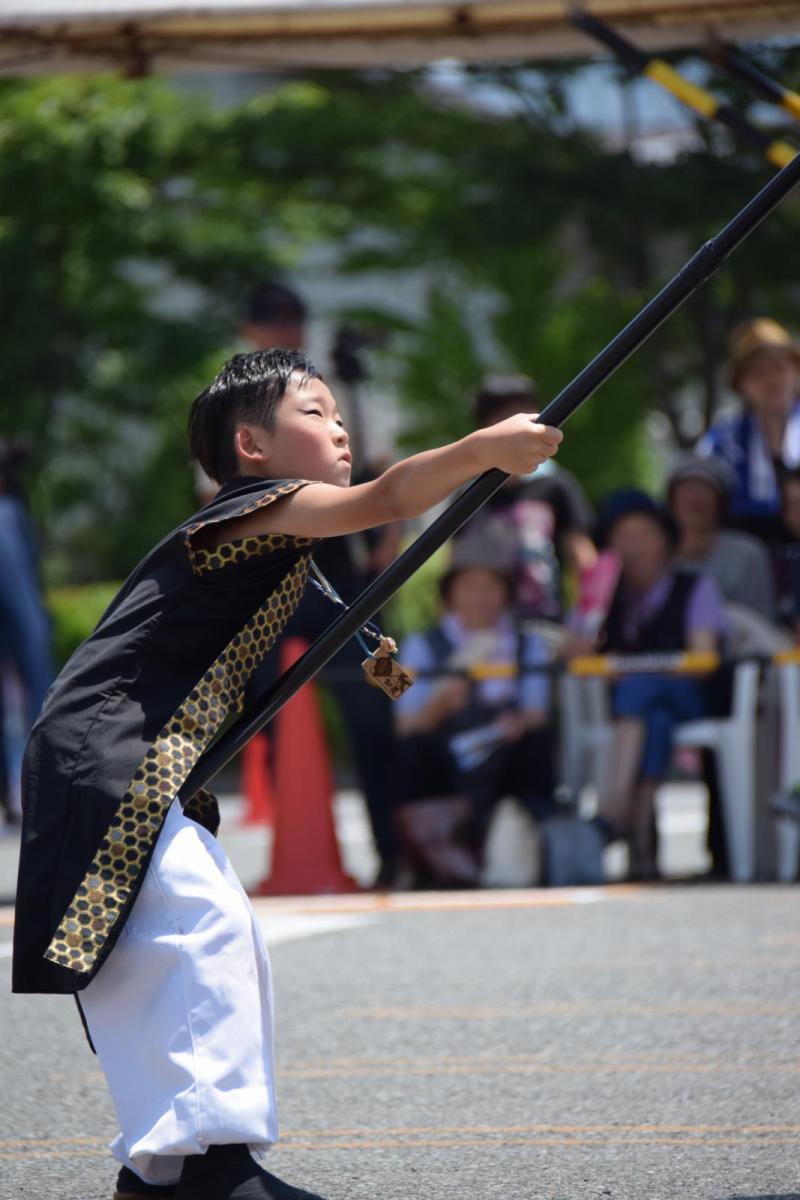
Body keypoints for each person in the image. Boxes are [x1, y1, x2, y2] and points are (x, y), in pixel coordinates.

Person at [13, 348, 563, 1200]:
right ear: (253, 446)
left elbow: (324, 600)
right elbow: (383, 500)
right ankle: (204, 1169)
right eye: (315, 412)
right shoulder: (243, 513)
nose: (339, 428)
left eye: (340, 415)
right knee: (196, 932)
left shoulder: (274, 540)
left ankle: (169, 1175)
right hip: (111, 749)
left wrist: (377, 652)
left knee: (190, 934)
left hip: (128, 756)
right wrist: (479, 450)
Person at [239, 282, 403, 886]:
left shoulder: (343, 387)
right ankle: (296, 853)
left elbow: (383, 470)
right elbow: (213, 496)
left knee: (385, 697)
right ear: (248, 329)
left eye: (293, 322)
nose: (286, 332)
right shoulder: (229, 397)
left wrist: (391, 542)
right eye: (272, 322)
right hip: (270, 574)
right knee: (272, 718)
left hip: (348, 571)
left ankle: (397, 849)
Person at [572, 490, 727, 881]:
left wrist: (637, 670)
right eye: (623, 536)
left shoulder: (694, 586)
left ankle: (613, 807)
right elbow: (574, 654)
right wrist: (588, 627)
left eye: (644, 534)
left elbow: (703, 658)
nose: (634, 546)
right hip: (640, 711)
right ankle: (640, 836)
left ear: (665, 539)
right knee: (650, 718)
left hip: (690, 697)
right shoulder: (605, 596)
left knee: (638, 691)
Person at [393, 528, 555, 887]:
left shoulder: (529, 645)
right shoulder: (422, 645)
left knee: (535, 747)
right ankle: (428, 858)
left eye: (490, 586)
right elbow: (407, 723)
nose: (480, 597)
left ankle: (524, 852)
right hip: (446, 757)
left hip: (505, 754)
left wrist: (515, 724)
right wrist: (440, 704)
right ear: (450, 593)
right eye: (469, 585)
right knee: (412, 753)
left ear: (506, 594)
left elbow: (537, 713)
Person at [455, 374, 596, 622]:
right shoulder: (467, 493)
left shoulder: (555, 485)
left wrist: (586, 623)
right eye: (503, 417)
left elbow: (583, 559)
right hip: (485, 632)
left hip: (544, 626)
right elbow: (455, 568)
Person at [698, 317, 800, 546]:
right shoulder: (722, 442)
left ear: (795, 371)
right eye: (758, 373)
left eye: (779, 367)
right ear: (742, 386)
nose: (772, 381)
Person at [667, 454, 776, 621]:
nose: (694, 499)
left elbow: (760, 621)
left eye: (704, 489)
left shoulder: (748, 553)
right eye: (686, 489)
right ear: (672, 500)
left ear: (721, 502)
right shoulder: (653, 551)